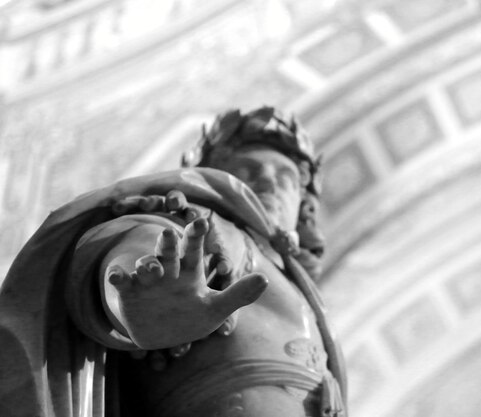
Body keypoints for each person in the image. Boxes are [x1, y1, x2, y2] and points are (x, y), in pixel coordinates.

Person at [0, 107, 346, 417]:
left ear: (304, 204)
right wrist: (135, 296)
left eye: (285, 177)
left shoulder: (302, 288)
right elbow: (142, 240)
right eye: (248, 170)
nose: (269, 181)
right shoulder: (210, 227)